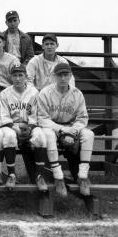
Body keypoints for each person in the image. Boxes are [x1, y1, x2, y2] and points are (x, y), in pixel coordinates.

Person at [38, 63, 94, 197]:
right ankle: (58, 177)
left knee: (89, 134)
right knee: (48, 135)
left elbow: (82, 118)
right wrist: (62, 130)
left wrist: (72, 131)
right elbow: (42, 118)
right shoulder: (45, 93)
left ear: (70, 76)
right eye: (60, 75)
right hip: (52, 126)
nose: (63, 78)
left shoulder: (77, 93)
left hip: (71, 127)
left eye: (66, 75)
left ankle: (82, 176)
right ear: (54, 76)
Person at [0, 64, 48, 191]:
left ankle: (39, 176)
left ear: (26, 77)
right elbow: (4, 116)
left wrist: (29, 128)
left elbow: (36, 115)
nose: (18, 78)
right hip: (11, 126)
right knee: (9, 136)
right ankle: (11, 174)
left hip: (30, 125)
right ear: (11, 77)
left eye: (20, 75)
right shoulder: (4, 93)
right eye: (15, 75)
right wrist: (16, 129)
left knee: (40, 137)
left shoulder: (34, 92)